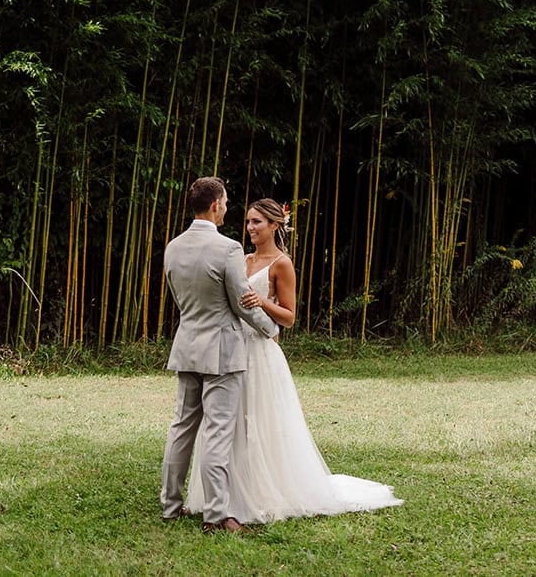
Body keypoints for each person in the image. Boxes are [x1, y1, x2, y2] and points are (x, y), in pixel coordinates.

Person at [185, 197, 402, 523]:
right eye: (248, 222)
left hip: (261, 353)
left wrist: (262, 301)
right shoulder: (242, 259)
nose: (250, 228)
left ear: (275, 225)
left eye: (257, 222)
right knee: (230, 423)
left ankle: (261, 491)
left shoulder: (282, 264)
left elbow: (289, 317)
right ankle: (227, 493)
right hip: (233, 348)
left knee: (259, 422)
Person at [160, 177, 279, 535]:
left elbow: (180, 299)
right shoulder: (228, 248)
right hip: (222, 351)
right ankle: (215, 515)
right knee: (217, 431)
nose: (227, 208)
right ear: (215, 205)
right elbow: (242, 302)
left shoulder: (173, 247)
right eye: (225, 202)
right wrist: (270, 329)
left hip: (187, 346)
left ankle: (170, 506)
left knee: (181, 427)